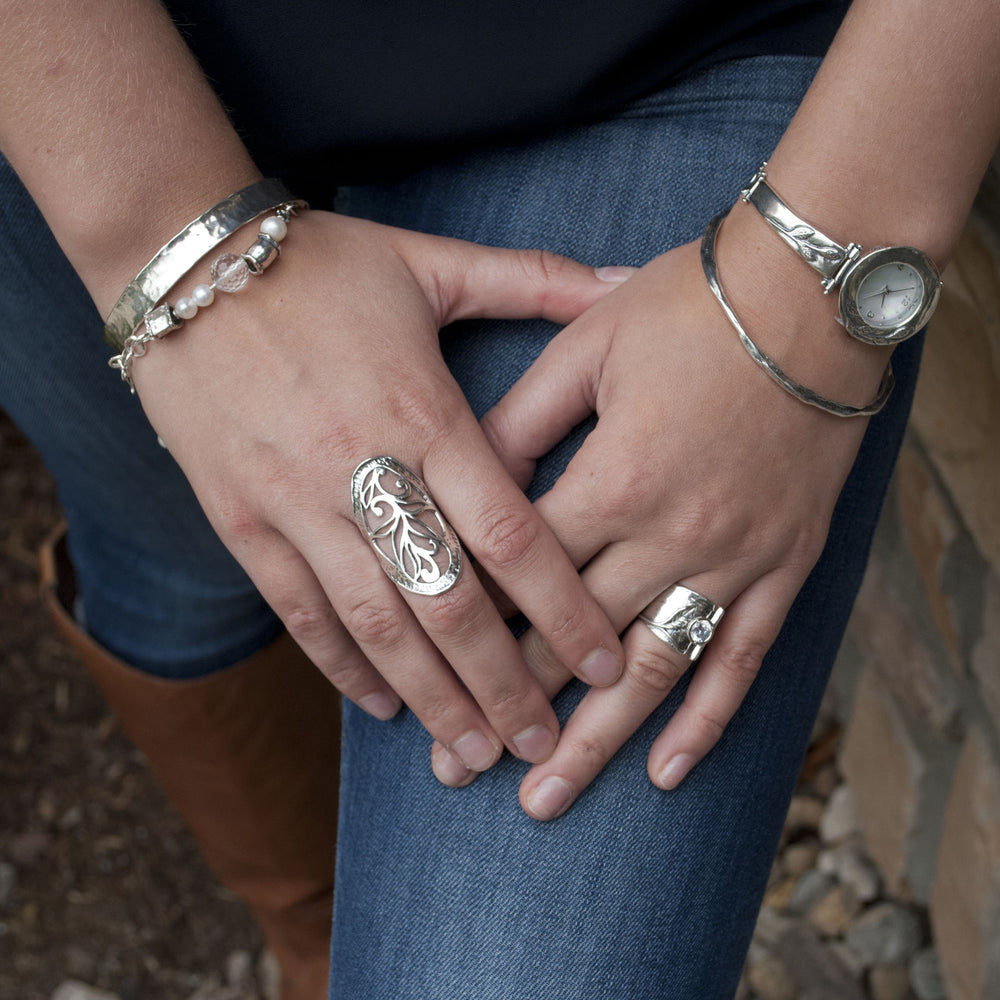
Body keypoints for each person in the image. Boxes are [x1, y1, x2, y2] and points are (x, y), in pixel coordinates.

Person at [1, 1, 997, 997]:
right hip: (76, 81)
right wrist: (160, 235)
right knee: (188, 561)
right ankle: (312, 927)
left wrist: (815, 283)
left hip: (646, 50)